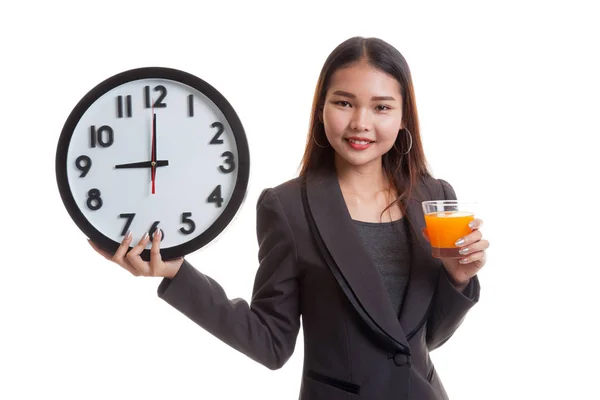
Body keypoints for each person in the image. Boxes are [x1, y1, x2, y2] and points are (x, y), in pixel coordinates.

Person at [89, 36, 490, 399]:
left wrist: (458, 278)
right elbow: (271, 343)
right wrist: (177, 274)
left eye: (381, 107)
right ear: (321, 109)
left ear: (404, 118)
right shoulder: (289, 207)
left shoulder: (434, 198)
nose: (360, 123)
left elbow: (425, 339)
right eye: (344, 102)